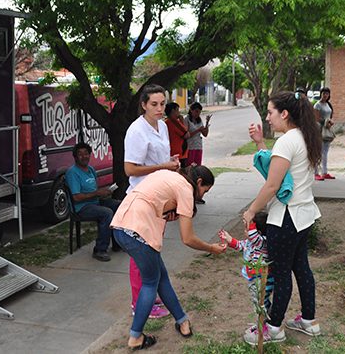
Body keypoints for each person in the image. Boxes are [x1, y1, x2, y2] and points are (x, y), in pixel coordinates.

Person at [110, 166, 226, 350]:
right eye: (205, 190)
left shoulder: (169, 176)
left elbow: (152, 201)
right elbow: (187, 238)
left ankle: (182, 321)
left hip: (120, 226)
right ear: (198, 183)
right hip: (139, 232)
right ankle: (136, 337)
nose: (203, 196)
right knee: (150, 283)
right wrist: (211, 248)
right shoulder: (186, 190)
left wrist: (165, 213)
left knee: (160, 277)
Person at [243, 90, 323, 344]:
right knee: (301, 267)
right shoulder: (304, 136)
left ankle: (274, 328)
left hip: (286, 217)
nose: (267, 118)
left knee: (280, 272)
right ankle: (308, 320)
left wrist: (252, 210)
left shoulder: (287, 141)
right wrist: (259, 143)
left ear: (284, 113)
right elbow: (279, 173)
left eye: (270, 112)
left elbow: (272, 185)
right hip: (304, 214)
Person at [124, 84, 180, 319]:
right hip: (142, 200)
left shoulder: (163, 127)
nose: (159, 108)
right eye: (154, 104)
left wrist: (170, 161)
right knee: (141, 256)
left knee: (153, 250)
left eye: (162, 104)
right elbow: (130, 169)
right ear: (144, 105)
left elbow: (158, 159)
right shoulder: (136, 130)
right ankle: (139, 303)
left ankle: (151, 293)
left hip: (159, 199)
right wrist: (163, 166)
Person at [218, 213, 274, 346]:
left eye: (246, 229)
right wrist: (229, 239)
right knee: (260, 303)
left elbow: (253, 235)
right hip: (254, 280)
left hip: (262, 280)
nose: (245, 231)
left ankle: (264, 327)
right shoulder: (251, 242)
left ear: (257, 232)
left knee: (261, 304)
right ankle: (265, 321)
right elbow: (239, 245)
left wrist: (249, 218)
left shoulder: (261, 242)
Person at [65, 143, 121, 262]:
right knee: (106, 213)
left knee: (118, 205)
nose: (84, 156)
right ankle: (99, 250)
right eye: (80, 154)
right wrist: (97, 193)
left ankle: (117, 243)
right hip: (81, 208)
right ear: (75, 157)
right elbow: (76, 197)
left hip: (94, 202)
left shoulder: (90, 169)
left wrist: (105, 192)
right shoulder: (72, 172)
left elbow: (94, 190)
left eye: (86, 153)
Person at [313, 87, 334, 181]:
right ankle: (315, 172)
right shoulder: (317, 105)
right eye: (324, 93)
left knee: (325, 152)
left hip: (327, 129)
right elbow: (316, 118)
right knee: (318, 151)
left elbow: (330, 115)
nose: (325, 95)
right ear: (321, 94)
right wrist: (326, 122)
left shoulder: (328, 104)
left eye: (327, 93)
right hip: (319, 129)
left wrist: (330, 122)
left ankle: (324, 172)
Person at [184, 102, 211, 167]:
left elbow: (205, 134)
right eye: (196, 112)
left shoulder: (199, 120)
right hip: (190, 147)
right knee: (190, 166)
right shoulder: (186, 119)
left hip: (198, 146)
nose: (198, 114)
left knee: (198, 166)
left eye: (199, 112)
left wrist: (207, 123)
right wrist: (198, 130)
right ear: (191, 110)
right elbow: (186, 135)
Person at [165, 102, 189, 167]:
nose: (179, 112)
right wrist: (182, 121)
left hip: (171, 153)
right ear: (173, 111)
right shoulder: (174, 122)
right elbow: (187, 135)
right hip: (179, 153)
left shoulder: (165, 122)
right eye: (177, 110)